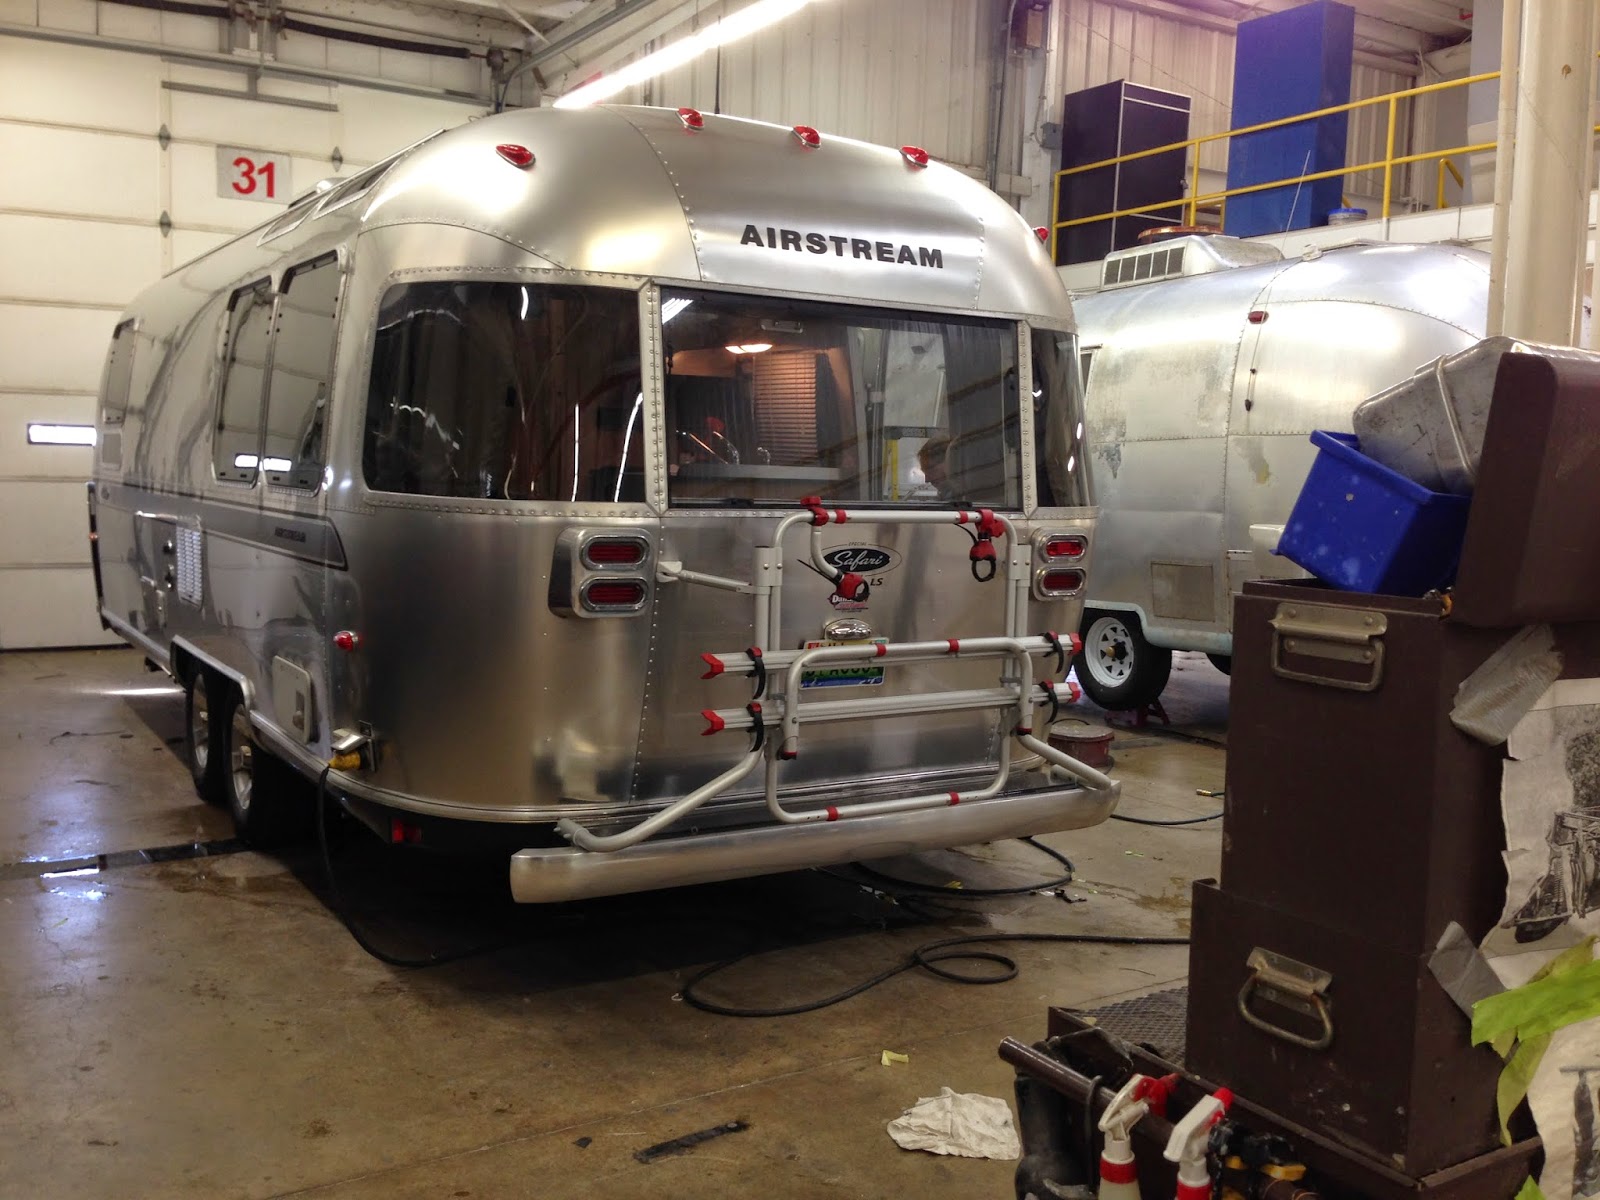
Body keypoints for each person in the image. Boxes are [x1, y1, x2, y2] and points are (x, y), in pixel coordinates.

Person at [908, 434, 953, 500]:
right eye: (925, 472)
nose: (927, 480)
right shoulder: (946, 497)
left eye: (930, 469)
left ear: (951, 463)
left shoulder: (964, 500)